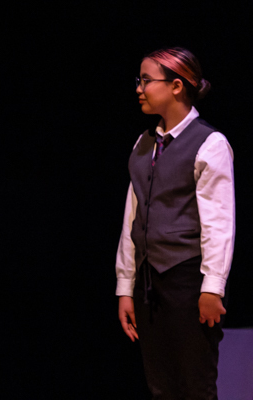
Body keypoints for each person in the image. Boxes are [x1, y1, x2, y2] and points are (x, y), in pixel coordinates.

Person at [115, 48, 235, 399]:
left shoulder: (210, 144)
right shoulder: (144, 143)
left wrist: (212, 287)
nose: (139, 88)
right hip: (149, 280)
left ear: (177, 86)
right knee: (160, 386)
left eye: (146, 80)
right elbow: (132, 219)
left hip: (187, 279)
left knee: (194, 384)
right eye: (139, 80)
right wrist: (126, 286)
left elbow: (219, 222)